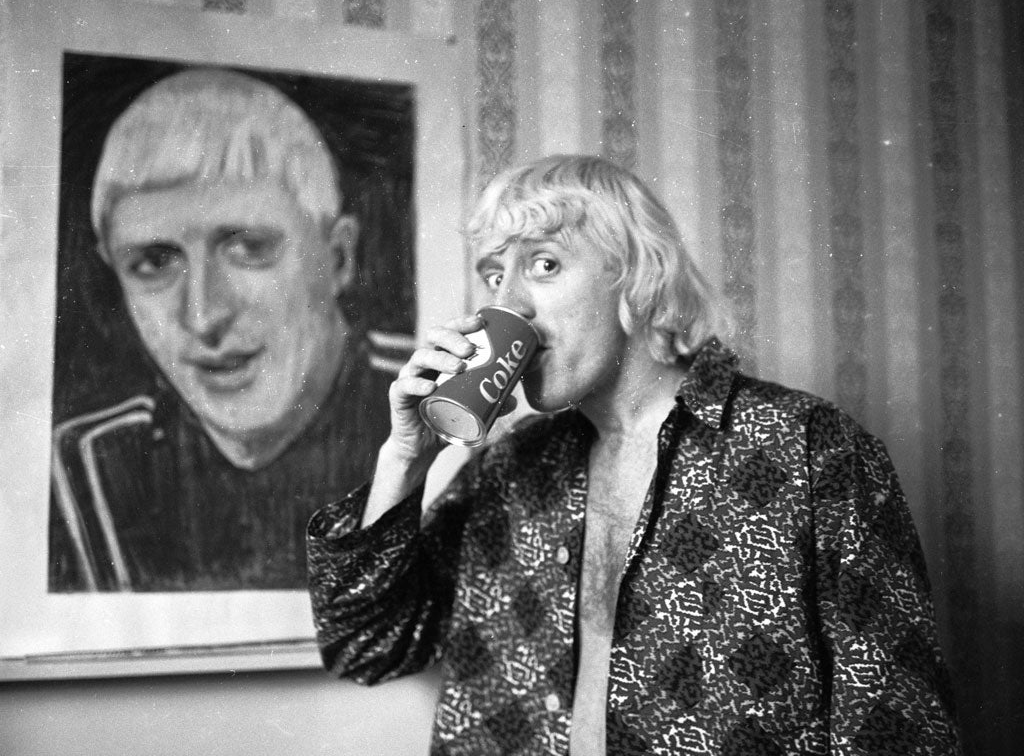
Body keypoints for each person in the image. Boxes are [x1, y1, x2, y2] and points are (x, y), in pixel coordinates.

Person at [307, 155, 961, 754]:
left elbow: (896, 727)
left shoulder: (814, 453)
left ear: (639, 277)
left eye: (545, 265)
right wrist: (403, 458)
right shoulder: (508, 468)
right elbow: (366, 647)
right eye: (494, 275)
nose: (507, 304)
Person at [49, 69, 401, 592]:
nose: (203, 316)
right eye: (153, 261)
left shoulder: (429, 408)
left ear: (339, 257)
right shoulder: (89, 463)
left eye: (250, 248)